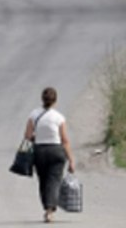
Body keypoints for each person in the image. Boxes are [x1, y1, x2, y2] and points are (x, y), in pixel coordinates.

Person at [25, 87, 76, 223]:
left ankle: (47, 207)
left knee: (43, 180)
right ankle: (50, 210)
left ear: (42, 99)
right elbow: (65, 140)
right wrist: (71, 160)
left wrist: (37, 137)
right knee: (54, 180)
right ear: (55, 101)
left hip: (39, 151)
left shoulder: (34, 115)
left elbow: (28, 136)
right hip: (56, 151)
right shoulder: (59, 117)